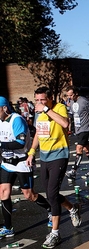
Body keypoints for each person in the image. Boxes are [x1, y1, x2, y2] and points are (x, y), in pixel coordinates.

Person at [26, 87, 82, 249]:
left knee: (51, 193)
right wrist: (31, 152)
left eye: (42, 99)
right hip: (44, 156)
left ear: (50, 98)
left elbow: (65, 123)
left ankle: (55, 233)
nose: (39, 103)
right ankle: (72, 209)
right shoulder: (38, 112)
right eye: (37, 100)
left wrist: (46, 109)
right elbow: (38, 132)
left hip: (59, 155)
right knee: (52, 193)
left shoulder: (59, 108)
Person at [0, 96, 52, 237]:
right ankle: (8, 227)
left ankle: (50, 210)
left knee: (29, 195)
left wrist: (1, 145)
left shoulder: (16, 120)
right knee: (3, 193)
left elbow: (20, 143)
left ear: (4, 108)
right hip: (7, 163)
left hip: (22, 162)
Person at [64, 87, 89, 181]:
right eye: (68, 95)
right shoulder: (72, 103)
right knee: (86, 148)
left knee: (79, 147)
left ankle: (73, 171)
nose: (69, 97)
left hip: (85, 128)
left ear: (76, 93)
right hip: (78, 128)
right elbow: (71, 114)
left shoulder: (84, 101)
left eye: (71, 95)